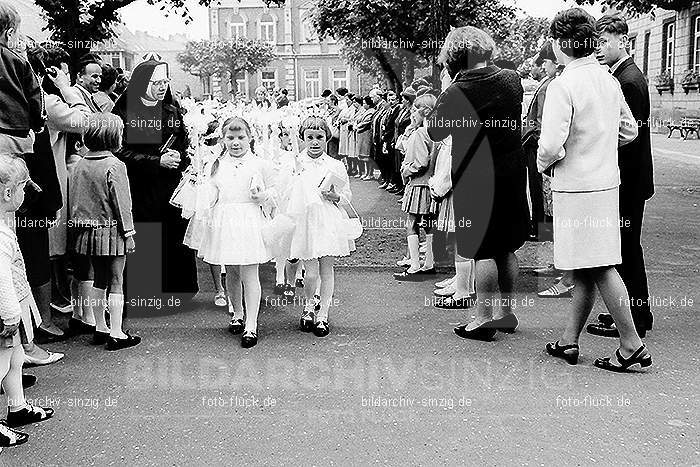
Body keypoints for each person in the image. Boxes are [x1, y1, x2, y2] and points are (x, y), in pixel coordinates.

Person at [538, 8, 651, 371]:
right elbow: (630, 131)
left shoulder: (563, 85)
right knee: (586, 266)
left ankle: (631, 344)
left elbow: (551, 145)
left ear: (561, 43)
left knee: (599, 265)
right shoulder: (609, 80)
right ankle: (569, 340)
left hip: (576, 188)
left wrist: (545, 165)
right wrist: (600, 149)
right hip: (605, 183)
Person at [427, 26, 530, 337]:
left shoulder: (457, 91)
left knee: (483, 248)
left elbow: (435, 132)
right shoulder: (512, 79)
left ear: (454, 57)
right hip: (512, 172)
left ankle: (483, 318)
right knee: (506, 247)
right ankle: (505, 314)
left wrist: (447, 86)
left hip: (475, 177)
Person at [588, 14, 655, 339]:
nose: (598, 48)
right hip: (631, 178)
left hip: (627, 180)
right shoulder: (623, 75)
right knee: (627, 247)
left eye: (604, 41)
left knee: (627, 248)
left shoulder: (627, 80)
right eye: (596, 41)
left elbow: (629, 138)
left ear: (622, 41)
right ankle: (633, 310)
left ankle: (636, 318)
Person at [113, 59, 198, 309]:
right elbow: (120, 152)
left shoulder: (170, 111)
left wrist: (180, 157)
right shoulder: (125, 113)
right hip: (141, 186)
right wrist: (155, 161)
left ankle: (178, 293)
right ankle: (146, 294)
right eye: (156, 83)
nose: (162, 87)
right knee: (147, 233)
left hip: (169, 184)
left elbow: (182, 141)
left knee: (173, 235)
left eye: (165, 82)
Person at [195, 117, 275, 348]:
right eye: (230, 138)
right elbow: (211, 195)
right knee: (230, 271)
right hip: (225, 222)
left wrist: (265, 196)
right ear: (223, 139)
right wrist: (201, 189)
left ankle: (251, 324)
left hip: (249, 220)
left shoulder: (260, 164)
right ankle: (237, 313)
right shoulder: (216, 165)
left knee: (250, 273)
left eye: (241, 138)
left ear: (250, 138)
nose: (236, 143)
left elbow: (276, 191)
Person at [69, 114, 141, 350]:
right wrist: (129, 232)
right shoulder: (115, 166)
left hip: (86, 231)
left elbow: (76, 202)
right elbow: (122, 203)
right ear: (113, 137)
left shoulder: (79, 164)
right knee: (117, 280)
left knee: (99, 279)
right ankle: (117, 333)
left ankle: (101, 327)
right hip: (112, 231)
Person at [0, 154, 55, 448]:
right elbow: (2, 280)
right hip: (5, 314)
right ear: (9, 193)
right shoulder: (0, 235)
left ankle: (17, 407)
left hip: (13, 309)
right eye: (23, 187)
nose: (26, 193)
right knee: (2, 363)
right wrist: (11, 315)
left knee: (15, 359)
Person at [285, 117, 355, 337]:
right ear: (303, 139)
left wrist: (335, 196)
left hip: (327, 220)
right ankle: (308, 306)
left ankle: (323, 314)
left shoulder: (335, 165)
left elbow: (347, 196)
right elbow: (286, 193)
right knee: (311, 271)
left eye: (320, 137)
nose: (315, 142)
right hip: (305, 220)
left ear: (327, 138)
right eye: (310, 138)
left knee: (327, 269)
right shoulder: (296, 163)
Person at [393, 93, 438, 281]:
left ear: (424, 112)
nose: (411, 113)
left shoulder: (420, 133)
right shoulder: (434, 131)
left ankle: (414, 266)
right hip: (430, 184)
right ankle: (429, 263)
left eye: (414, 110)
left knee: (411, 225)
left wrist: (406, 171)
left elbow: (420, 162)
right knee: (428, 225)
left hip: (418, 184)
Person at [0, 2, 45, 155]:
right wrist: (38, 125)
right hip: (14, 137)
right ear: (9, 33)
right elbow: (36, 100)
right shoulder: (18, 62)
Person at [355, 96, 376, 180]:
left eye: (364, 103)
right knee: (363, 155)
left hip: (366, 134)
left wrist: (357, 126)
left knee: (367, 155)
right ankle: (366, 172)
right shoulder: (366, 111)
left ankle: (369, 173)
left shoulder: (371, 112)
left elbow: (366, 122)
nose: (363, 105)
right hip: (362, 135)